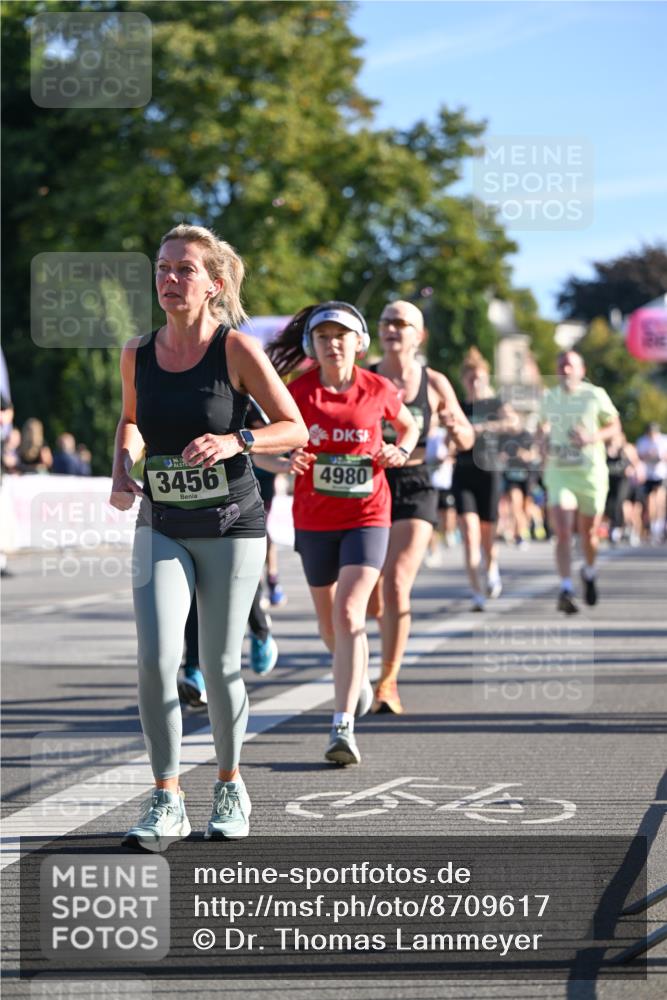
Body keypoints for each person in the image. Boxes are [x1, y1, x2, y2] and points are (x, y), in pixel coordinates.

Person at [109, 223, 307, 850]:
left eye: (184, 269)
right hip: (162, 519)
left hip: (231, 523)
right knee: (155, 661)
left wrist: (235, 439)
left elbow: (293, 428)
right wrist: (121, 465)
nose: (169, 279)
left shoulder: (236, 351)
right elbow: (133, 421)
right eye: (162, 268)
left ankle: (229, 783)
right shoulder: (136, 352)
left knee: (221, 666)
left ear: (213, 284)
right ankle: (167, 799)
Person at [268, 301, 419, 764]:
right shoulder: (297, 391)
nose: (332, 344)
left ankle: (341, 727)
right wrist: (281, 461)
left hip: (368, 515)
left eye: (341, 336)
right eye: (322, 337)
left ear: (358, 343)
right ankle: (354, 671)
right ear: (311, 345)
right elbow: (257, 446)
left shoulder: (378, 388)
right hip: (313, 520)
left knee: (350, 613)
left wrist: (400, 449)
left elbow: (408, 425)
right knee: (329, 624)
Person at [367, 300, 473, 713]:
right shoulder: (366, 376)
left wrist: (456, 428)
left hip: (416, 483)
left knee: (396, 583)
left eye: (401, 322)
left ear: (419, 334)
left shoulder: (434, 382)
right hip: (369, 482)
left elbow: (466, 440)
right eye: (386, 321)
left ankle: (388, 681)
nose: (392, 328)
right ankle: (368, 660)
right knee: (372, 592)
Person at [537, 350, 620, 613]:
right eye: (561, 365)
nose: (565, 370)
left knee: (589, 534)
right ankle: (566, 588)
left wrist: (592, 438)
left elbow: (614, 427)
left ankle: (590, 571)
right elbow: (541, 427)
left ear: (581, 370)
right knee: (562, 530)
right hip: (560, 471)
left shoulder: (595, 395)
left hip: (590, 474)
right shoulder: (549, 397)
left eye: (570, 365)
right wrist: (542, 445)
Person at [452, 348, 518, 611]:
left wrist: (483, 427)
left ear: (486, 378)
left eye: (479, 378)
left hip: (489, 472)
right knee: (469, 533)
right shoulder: (459, 406)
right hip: (463, 472)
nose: (474, 383)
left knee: (488, 536)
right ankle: (476, 592)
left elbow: (514, 422)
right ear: (464, 380)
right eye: (470, 379)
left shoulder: (495, 404)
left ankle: (491, 567)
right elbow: (447, 432)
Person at [635, 422, 667, 543]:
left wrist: (661, 456)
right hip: (648, 475)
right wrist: (647, 455)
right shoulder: (642, 441)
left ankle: (659, 525)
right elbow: (637, 457)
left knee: (660, 500)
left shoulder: (664, 440)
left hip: (661, 474)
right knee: (650, 502)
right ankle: (653, 526)